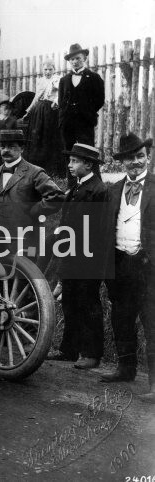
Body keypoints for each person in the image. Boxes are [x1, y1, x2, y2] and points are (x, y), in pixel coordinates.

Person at [100, 133, 155, 403]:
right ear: (122, 162)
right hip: (120, 262)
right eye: (130, 158)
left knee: (152, 321)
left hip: (148, 265)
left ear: (148, 157)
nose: (135, 162)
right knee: (121, 317)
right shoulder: (114, 190)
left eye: (140, 156)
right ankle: (125, 368)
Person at [46, 143, 107, 369]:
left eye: (75, 161)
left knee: (88, 303)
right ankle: (68, 349)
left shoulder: (98, 191)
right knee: (70, 301)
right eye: (70, 161)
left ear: (88, 164)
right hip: (71, 255)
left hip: (88, 259)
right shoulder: (77, 189)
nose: (70, 165)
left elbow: (99, 231)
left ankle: (92, 353)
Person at [0, 130, 65, 255]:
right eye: (3, 147)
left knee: (26, 272)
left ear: (21, 149)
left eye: (11, 147)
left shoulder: (34, 172)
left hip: (25, 239)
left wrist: (34, 210)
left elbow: (57, 197)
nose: (6, 150)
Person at [58, 43, 105, 151]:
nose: (75, 62)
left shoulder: (94, 78)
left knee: (87, 150)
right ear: (69, 61)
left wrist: (87, 111)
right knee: (67, 151)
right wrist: (62, 117)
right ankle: (68, 169)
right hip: (67, 122)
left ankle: (91, 168)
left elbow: (99, 100)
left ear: (84, 58)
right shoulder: (64, 80)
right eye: (72, 59)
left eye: (78, 58)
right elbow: (61, 101)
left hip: (85, 121)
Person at [23, 59, 63, 177]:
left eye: (50, 69)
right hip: (39, 111)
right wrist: (29, 111)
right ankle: (36, 169)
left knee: (49, 138)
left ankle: (52, 169)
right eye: (45, 69)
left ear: (54, 69)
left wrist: (56, 101)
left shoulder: (58, 80)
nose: (47, 72)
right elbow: (36, 97)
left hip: (52, 111)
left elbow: (61, 94)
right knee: (37, 138)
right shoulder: (40, 81)